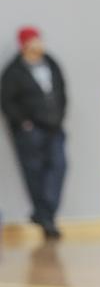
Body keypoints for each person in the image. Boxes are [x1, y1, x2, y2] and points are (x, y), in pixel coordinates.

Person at [1, 26, 67, 239]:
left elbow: (61, 90)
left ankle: (43, 213)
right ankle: (46, 219)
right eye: (35, 41)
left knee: (59, 166)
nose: (40, 44)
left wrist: (60, 115)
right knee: (34, 173)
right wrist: (23, 123)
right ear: (25, 44)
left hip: (54, 127)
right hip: (30, 132)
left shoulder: (51, 62)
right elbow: (7, 101)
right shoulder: (13, 71)